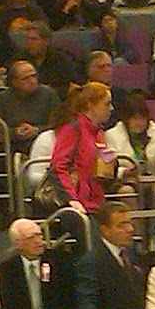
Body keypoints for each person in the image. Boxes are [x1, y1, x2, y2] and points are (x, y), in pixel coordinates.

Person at [48, 81, 115, 213]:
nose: (111, 108)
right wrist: (71, 199)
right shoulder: (72, 129)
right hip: (77, 205)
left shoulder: (98, 133)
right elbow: (58, 167)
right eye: (107, 103)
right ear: (91, 105)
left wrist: (111, 165)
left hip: (95, 203)